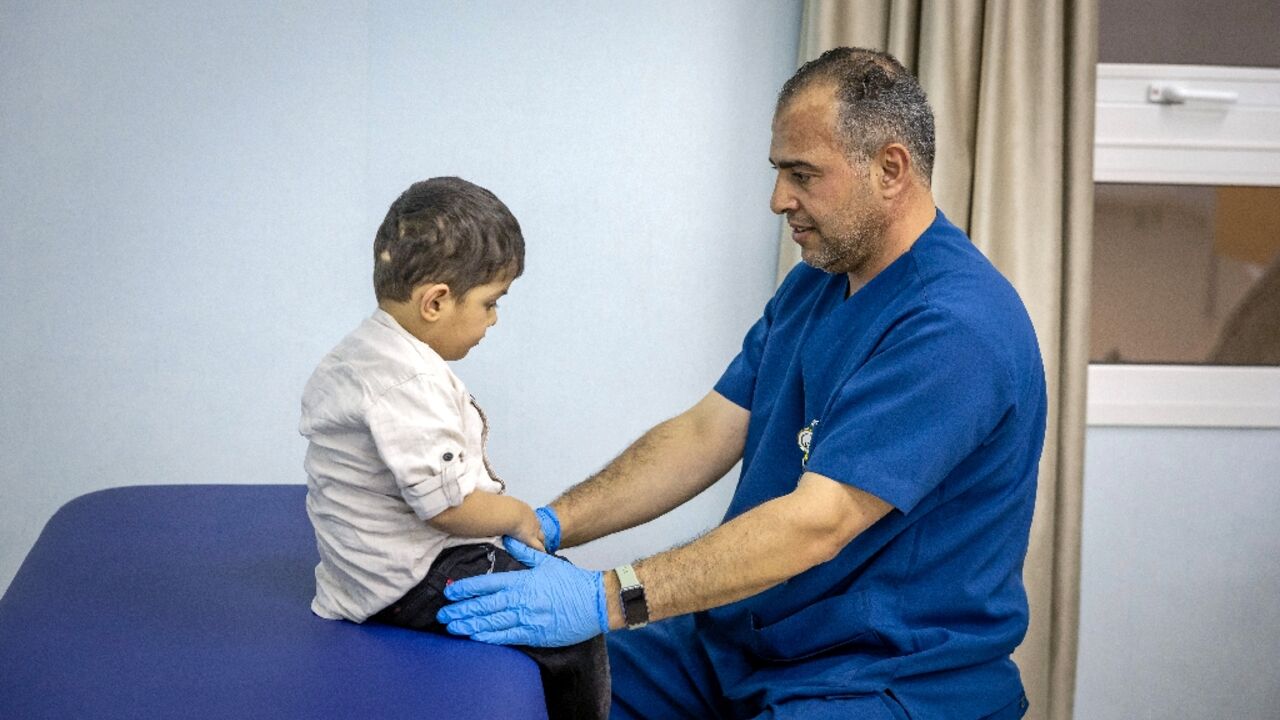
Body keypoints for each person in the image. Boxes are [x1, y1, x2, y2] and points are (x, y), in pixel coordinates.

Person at [437, 47, 1046, 720]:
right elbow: (706, 431)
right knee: (520, 677)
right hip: (741, 644)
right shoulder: (816, 283)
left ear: (891, 170)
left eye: (802, 174)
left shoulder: (956, 326)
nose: (779, 198)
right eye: (779, 171)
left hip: (881, 676)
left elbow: (818, 522)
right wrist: (548, 525)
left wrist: (604, 599)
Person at [299, 177, 609, 720]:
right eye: (490, 303)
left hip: (361, 572)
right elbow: (447, 508)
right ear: (437, 301)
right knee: (573, 628)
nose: (494, 319)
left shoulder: (362, 353)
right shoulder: (408, 382)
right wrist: (513, 515)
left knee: (547, 572)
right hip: (406, 579)